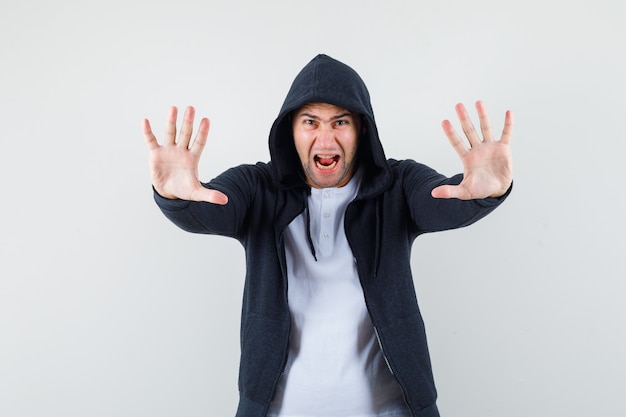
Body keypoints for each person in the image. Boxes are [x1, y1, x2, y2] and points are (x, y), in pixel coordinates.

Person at [142, 54, 513, 417]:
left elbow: (440, 200)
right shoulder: (258, 188)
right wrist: (175, 196)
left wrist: (484, 192)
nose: (325, 137)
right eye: (310, 122)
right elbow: (212, 207)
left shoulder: (396, 185)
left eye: (340, 122)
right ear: (291, 129)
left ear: (361, 129)